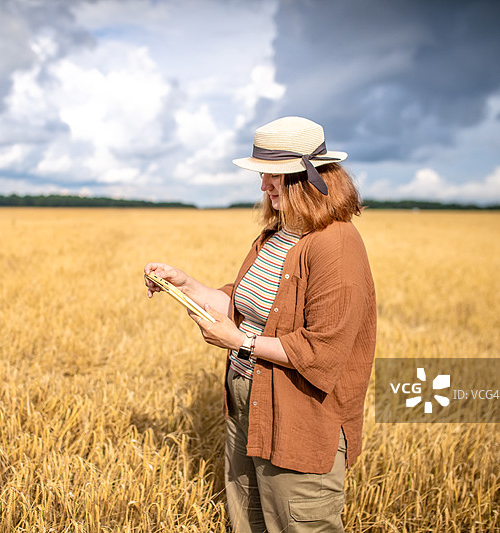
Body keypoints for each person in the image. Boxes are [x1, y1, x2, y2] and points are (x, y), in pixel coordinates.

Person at [144, 116, 376, 533]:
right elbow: (246, 307)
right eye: (262, 175)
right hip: (247, 405)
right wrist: (186, 284)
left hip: (299, 416)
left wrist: (239, 342)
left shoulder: (335, 245)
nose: (263, 186)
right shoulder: (277, 234)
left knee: (298, 523)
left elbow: (322, 350)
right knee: (247, 522)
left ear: (307, 178)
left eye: (273, 176)